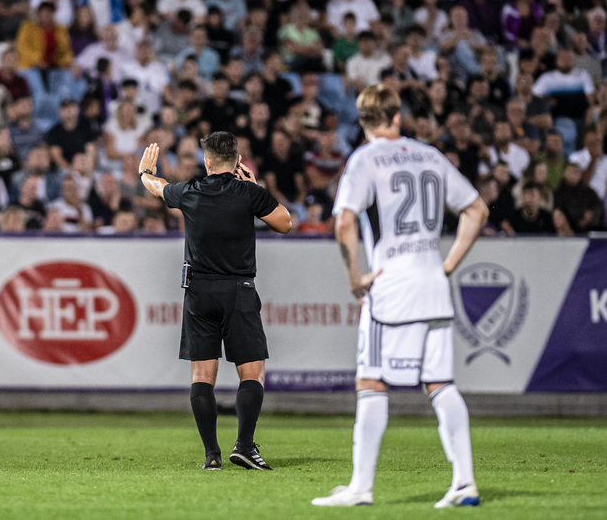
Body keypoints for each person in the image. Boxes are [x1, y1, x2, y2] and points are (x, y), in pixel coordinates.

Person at [313, 85, 489, 508]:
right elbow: (477, 210)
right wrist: (447, 265)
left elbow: (343, 223)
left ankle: (360, 488)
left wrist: (355, 277)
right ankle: (464, 482)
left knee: (371, 381)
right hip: (432, 283)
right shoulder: (430, 155)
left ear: (363, 121)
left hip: (391, 285)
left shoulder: (364, 159)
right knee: (440, 383)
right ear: (397, 117)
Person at [137, 132, 293, 471]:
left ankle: (212, 455)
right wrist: (254, 185)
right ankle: (245, 446)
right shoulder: (248, 193)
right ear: (237, 161)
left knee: (201, 375)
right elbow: (285, 222)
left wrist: (145, 173)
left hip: (199, 293)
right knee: (251, 372)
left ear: (206, 161)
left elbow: (158, 187)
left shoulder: (190, 192)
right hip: (238, 290)